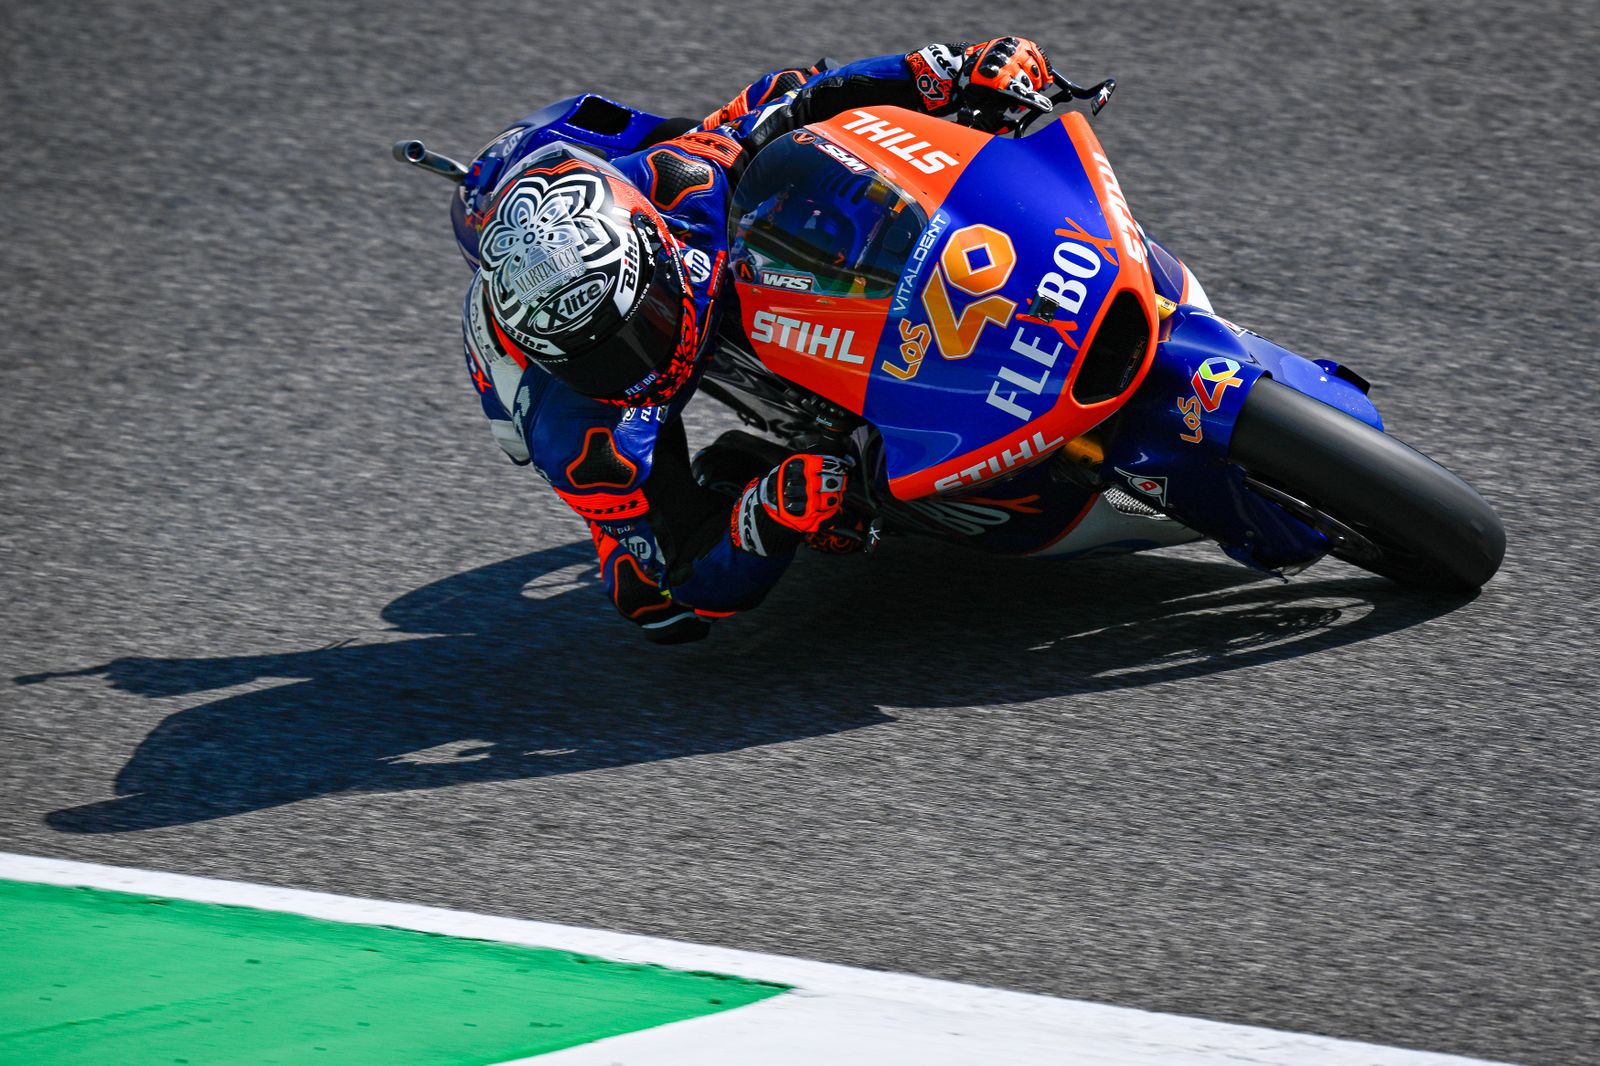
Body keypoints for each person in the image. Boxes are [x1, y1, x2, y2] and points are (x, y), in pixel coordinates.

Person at [458, 38, 1057, 642]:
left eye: (645, 327)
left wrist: (940, 70)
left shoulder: (684, 182)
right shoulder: (577, 428)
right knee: (655, 605)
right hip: (574, 398)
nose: (637, 365)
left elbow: (794, 100)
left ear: (653, 247)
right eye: (603, 358)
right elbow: (679, 575)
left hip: (706, 247)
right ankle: (744, 475)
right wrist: (764, 518)